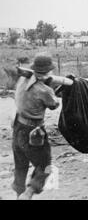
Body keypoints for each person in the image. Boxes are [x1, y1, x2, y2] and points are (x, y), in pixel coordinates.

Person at [11, 53, 60, 200]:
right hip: (33, 133)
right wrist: (49, 86)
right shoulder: (44, 90)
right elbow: (54, 104)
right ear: (48, 71)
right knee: (45, 166)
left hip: (18, 128)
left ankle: (19, 194)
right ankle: (28, 193)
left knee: (20, 165)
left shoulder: (22, 79)